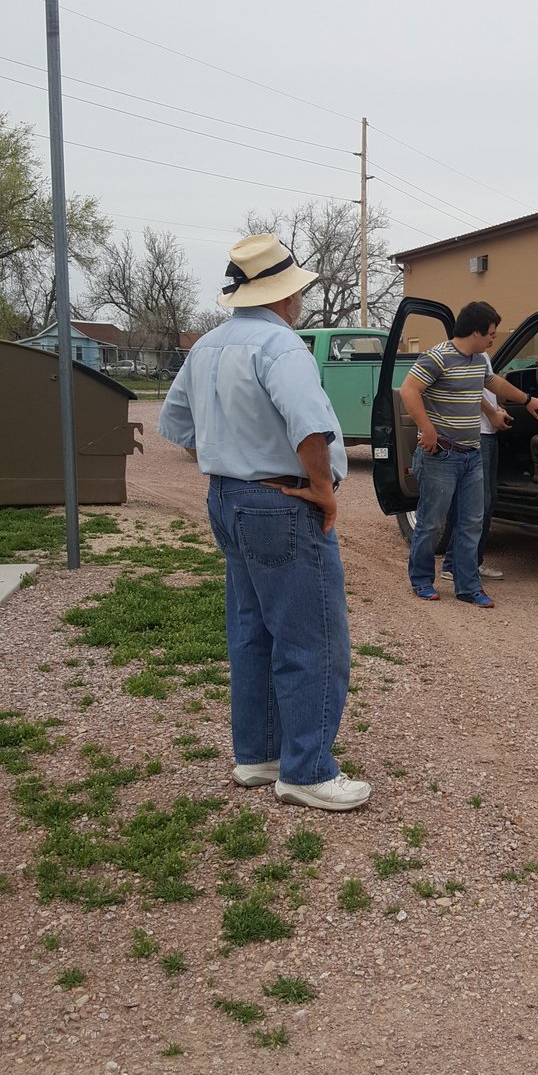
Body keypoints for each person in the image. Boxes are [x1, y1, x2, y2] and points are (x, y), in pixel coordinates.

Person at [158, 234, 370, 812]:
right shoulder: (282, 348)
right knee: (313, 636)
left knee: (252, 630)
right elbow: (309, 429)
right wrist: (323, 493)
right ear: (285, 297)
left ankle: (259, 755)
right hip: (281, 503)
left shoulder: (207, 345)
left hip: (227, 498)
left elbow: (174, 423)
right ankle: (307, 770)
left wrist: (229, 449)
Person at [399, 301, 538, 607]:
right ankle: (421, 580)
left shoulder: (478, 359)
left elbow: (495, 383)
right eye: (491, 333)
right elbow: (408, 390)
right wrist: (426, 430)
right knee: (431, 521)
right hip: (441, 455)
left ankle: (468, 586)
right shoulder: (437, 357)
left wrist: (527, 399)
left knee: (472, 522)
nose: (493, 339)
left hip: (471, 454)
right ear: (476, 331)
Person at [441, 346, 512, 584]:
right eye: (490, 332)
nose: (493, 338)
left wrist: (497, 409)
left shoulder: (482, 356)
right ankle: (453, 564)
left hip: (488, 433)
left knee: (486, 502)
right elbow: (471, 389)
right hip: (477, 433)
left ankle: (472, 562)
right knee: (475, 505)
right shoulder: (463, 356)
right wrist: (492, 413)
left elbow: (490, 388)